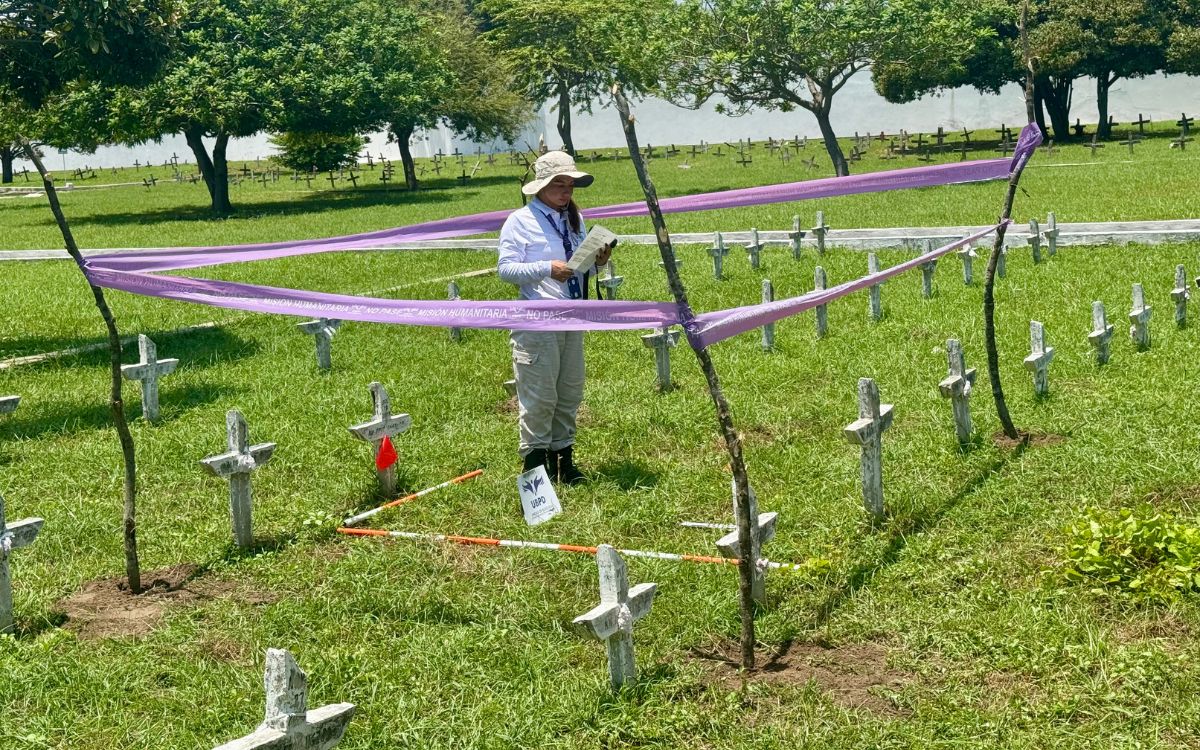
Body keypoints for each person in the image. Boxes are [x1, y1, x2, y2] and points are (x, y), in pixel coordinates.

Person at [497, 151, 613, 484]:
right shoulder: (520, 221)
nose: (566, 192)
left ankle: (564, 462)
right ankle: (535, 468)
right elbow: (506, 270)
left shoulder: (573, 219)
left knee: (569, 392)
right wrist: (547, 268)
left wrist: (599, 260)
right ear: (541, 187)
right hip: (537, 320)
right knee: (540, 397)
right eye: (559, 185)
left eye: (570, 185)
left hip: (571, 317)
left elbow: (581, 267)